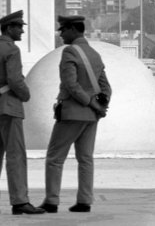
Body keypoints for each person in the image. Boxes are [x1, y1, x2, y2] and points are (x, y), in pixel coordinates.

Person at [0, 10, 45, 215]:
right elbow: (15, 81)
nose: (22, 31)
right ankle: (20, 201)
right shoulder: (11, 50)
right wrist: (26, 95)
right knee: (16, 156)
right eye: (19, 27)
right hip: (8, 107)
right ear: (9, 28)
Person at [38, 15, 111, 214]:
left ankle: (52, 201)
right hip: (91, 117)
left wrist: (91, 104)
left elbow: (71, 85)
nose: (60, 34)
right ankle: (85, 200)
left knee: (55, 158)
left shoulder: (70, 52)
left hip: (72, 113)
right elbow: (106, 87)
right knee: (86, 158)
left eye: (63, 30)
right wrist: (99, 106)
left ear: (72, 29)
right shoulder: (94, 53)